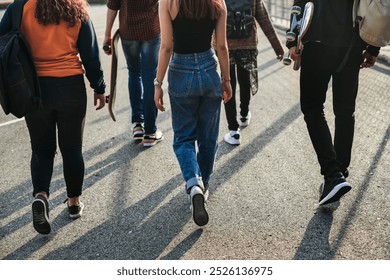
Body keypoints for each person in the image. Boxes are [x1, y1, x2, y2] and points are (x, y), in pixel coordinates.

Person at [0, 0, 106, 234]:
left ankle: (41, 195)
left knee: (41, 149)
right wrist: (98, 86)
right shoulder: (77, 7)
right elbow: (90, 54)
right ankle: (74, 203)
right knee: (72, 149)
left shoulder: (20, 7)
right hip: (70, 88)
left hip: (33, 88)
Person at [286, 0, 380, 206]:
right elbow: (375, 4)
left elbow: (299, 4)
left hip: (317, 41)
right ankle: (340, 172)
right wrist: (373, 48)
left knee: (312, 108)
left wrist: (292, 40)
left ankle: (333, 175)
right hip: (352, 44)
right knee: (345, 111)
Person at [154, 0, 232, 226]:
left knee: (184, 138)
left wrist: (158, 83)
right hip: (209, 70)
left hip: (181, 72)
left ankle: (193, 183)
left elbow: (166, 46)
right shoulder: (218, 2)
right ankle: (203, 186)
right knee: (208, 139)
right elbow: (222, 46)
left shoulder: (167, 2)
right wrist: (226, 80)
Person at [222, 0, 285, 145]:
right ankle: (244, 114)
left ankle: (233, 131)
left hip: (225, 46)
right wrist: (277, 47)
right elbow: (264, 19)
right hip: (248, 44)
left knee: (227, 83)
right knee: (245, 80)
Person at [104, 0, 163, 147]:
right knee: (150, 76)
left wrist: (107, 34)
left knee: (134, 73)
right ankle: (150, 132)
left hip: (128, 32)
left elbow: (112, 6)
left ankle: (138, 124)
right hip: (151, 30)